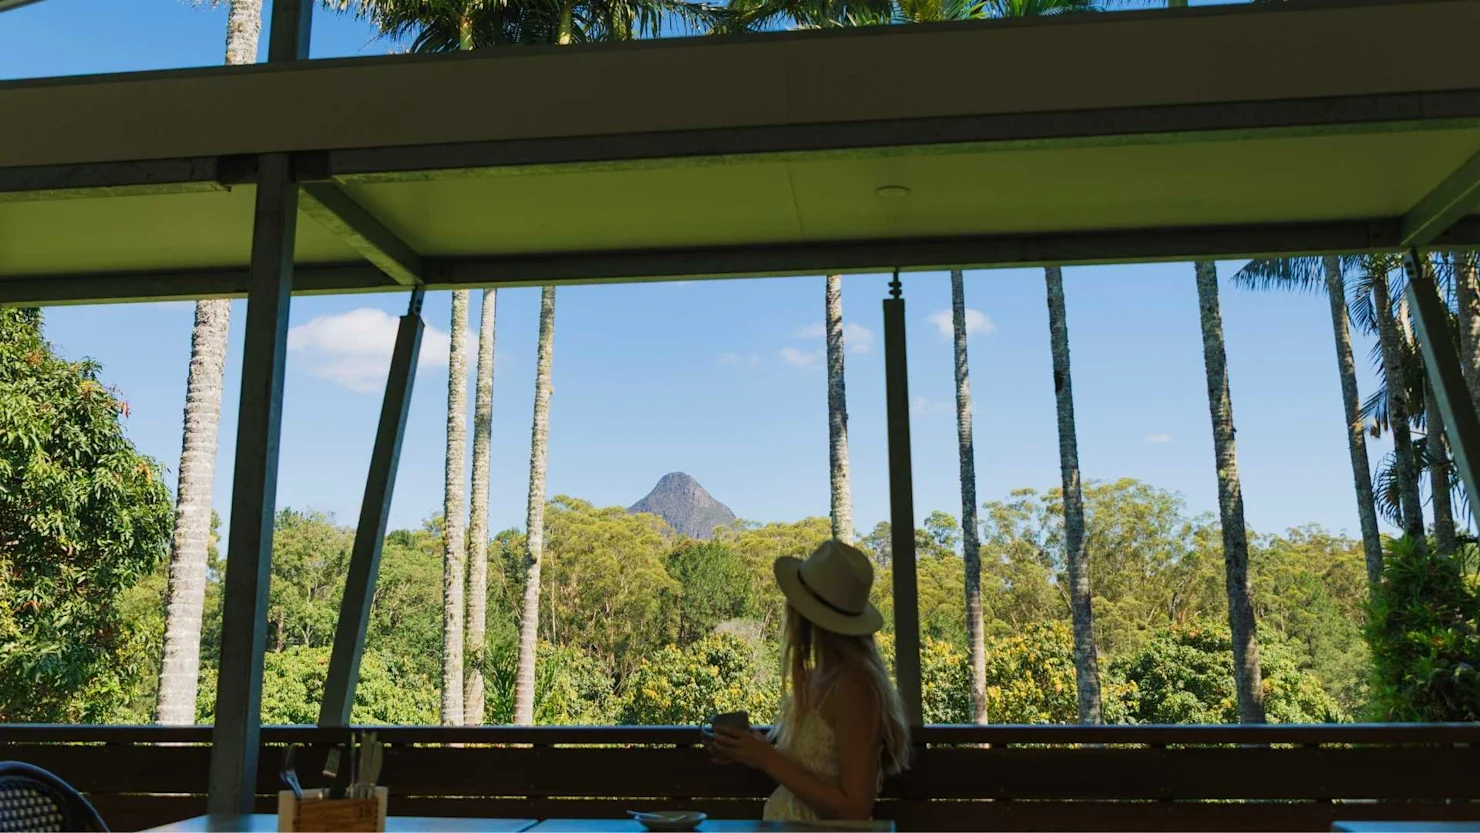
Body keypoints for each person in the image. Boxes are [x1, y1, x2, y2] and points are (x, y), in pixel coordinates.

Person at [707, 539, 911, 822]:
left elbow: (855, 808)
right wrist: (750, 748)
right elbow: (812, 768)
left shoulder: (855, 687)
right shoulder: (817, 677)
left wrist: (768, 758)